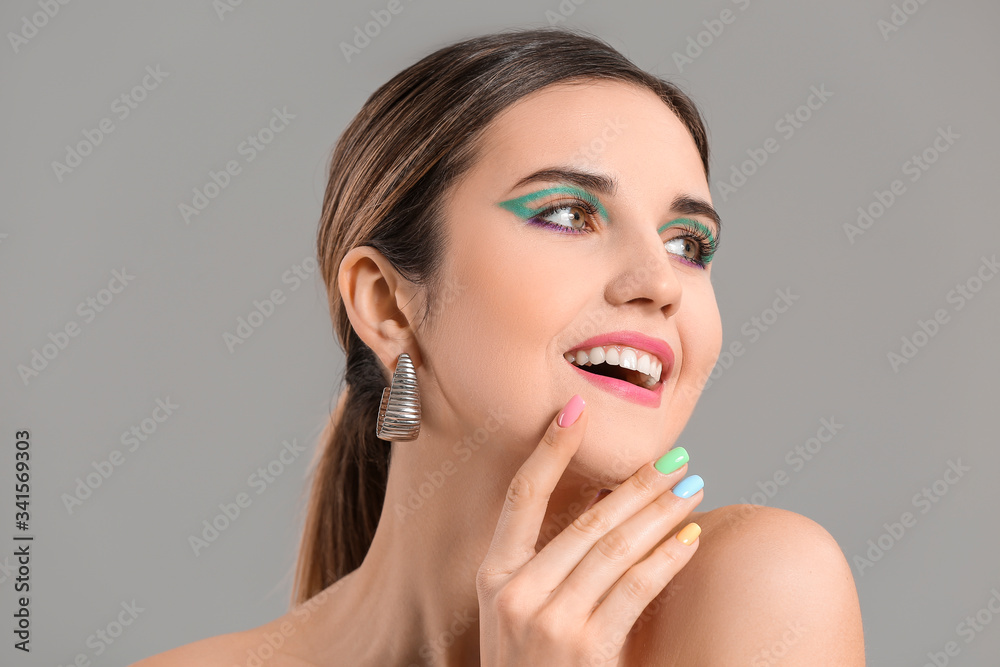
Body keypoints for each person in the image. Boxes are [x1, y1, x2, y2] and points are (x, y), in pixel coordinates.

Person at [135, 26, 865, 666]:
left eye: (688, 242)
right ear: (388, 304)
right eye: (568, 213)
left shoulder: (760, 586)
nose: (659, 282)